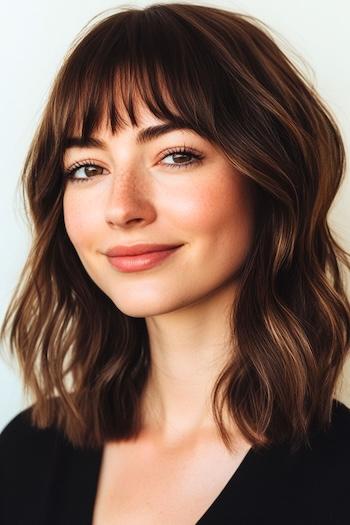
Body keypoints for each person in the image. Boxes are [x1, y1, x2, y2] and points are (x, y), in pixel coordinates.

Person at [0, 2, 349, 524]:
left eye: (176, 155)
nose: (122, 208)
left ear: (271, 173)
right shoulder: (24, 453)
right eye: (88, 167)